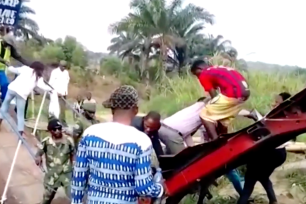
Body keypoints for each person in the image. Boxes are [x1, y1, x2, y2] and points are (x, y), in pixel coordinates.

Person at [71, 85, 164, 204]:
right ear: (135, 110)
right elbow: (143, 187)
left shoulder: (90, 134)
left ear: (112, 109)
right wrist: (160, 189)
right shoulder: (141, 141)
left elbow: (78, 177)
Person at [237, 92, 291, 204]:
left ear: (285, 104)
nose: (273, 104)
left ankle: (242, 202)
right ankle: (273, 200)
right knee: (263, 176)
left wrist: (254, 116)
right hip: (280, 154)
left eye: (277, 102)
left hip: (270, 153)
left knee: (250, 178)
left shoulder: (279, 116)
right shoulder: (288, 116)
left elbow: (267, 129)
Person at [191, 59, 251, 141]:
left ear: (199, 68)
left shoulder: (204, 74)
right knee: (222, 118)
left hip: (233, 93)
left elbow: (214, 96)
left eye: (196, 74)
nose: (197, 77)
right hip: (245, 93)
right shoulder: (216, 69)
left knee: (205, 114)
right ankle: (223, 140)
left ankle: (215, 142)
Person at [0, 62, 52, 136]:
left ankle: (0, 119)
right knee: (20, 114)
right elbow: (43, 86)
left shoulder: (25, 68)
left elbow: (13, 70)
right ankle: (20, 133)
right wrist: (51, 89)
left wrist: (9, 66)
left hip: (12, 89)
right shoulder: (38, 77)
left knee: (5, 105)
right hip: (22, 94)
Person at [34, 118, 74, 204]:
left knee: (74, 197)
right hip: (52, 175)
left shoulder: (69, 141)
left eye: (59, 128)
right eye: (54, 129)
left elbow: (73, 155)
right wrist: (38, 157)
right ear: (50, 130)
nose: (57, 131)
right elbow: (38, 153)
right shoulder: (46, 142)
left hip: (66, 174)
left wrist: (74, 168)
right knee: (46, 199)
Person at [0, 33, 31, 103]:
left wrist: (30, 64)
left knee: (5, 84)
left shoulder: (9, 49)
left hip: (1, 71)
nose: (8, 46)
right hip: (2, 68)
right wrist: (4, 61)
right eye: (7, 44)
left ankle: (3, 101)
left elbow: (19, 58)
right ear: (4, 41)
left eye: (10, 45)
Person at [48, 60, 70, 126]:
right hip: (56, 94)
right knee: (54, 109)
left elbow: (67, 81)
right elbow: (50, 84)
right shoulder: (55, 72)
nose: (64, 68)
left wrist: (65, 92)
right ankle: (53, 122)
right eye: (62, 66)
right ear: (59, 66)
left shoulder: (66, 72)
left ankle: (62, 122)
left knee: (63, 109)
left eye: (65, 67)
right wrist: (56, 92)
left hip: (64, 94)